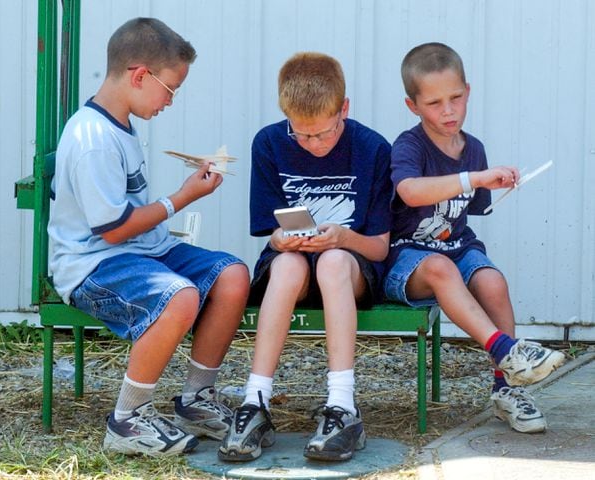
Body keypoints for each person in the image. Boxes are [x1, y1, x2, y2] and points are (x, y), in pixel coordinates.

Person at [47, 17, 250, 457]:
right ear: (140, 75)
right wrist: (182, 197)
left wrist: (180, 198)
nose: (171, 101)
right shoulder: (94, 138)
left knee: (232, 276)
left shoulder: (119, 125)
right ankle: (128, 420)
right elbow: (114, 227)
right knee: (179, 296)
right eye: (171, 89)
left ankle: (196, 400)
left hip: (140, 251)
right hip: (92, 264)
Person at [218, 52, 392, 462]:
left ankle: (342, 406)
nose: (313, 144)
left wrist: (343, 237)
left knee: (331, 261)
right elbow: (270, 233)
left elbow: (380, 247)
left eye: (324, 133)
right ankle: (255, 401)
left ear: (344, 109)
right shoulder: (270, 142)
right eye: (303, 135)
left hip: (350, 272)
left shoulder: (372, 149)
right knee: (287, 263)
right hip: (291, 272)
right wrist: (282, 240)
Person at [383, 42, 565, 434]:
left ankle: (507, 389)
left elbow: (470, 212)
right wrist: (474, 178)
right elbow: (410, 192)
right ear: (412, 105)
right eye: (434, 103)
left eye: (456, 98)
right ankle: (505, 350)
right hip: (408, 257)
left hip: (457, 247)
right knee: (440, 267)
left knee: (492, 280)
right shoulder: (409, 145)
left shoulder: (474, 148)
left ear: (469, 91)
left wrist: (493, 183)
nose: (448, 111)